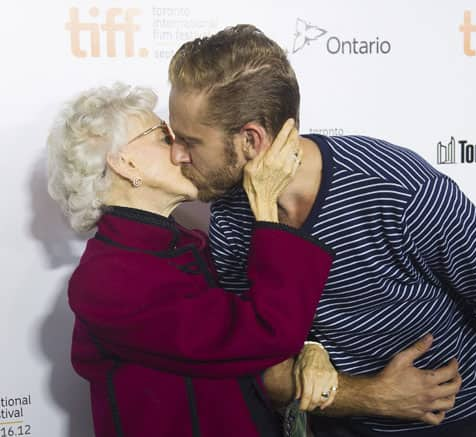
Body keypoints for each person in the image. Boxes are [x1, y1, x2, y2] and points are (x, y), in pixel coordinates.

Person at [167, 25, 476, 436]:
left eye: (189, 141)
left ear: (251, 140)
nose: (176, 155)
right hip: (341, 426)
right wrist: (370, 394)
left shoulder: (397, 187)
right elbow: (267, 369)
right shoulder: (229, 216)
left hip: (460, 419)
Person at [46, 82, 340, 437]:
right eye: (164, 138)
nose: (183, 151)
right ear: (125, 161)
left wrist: (311, 348)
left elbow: (261, 339)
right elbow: (264, 333)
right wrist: (265, 205)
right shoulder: (107, 279)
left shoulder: (183, 243)